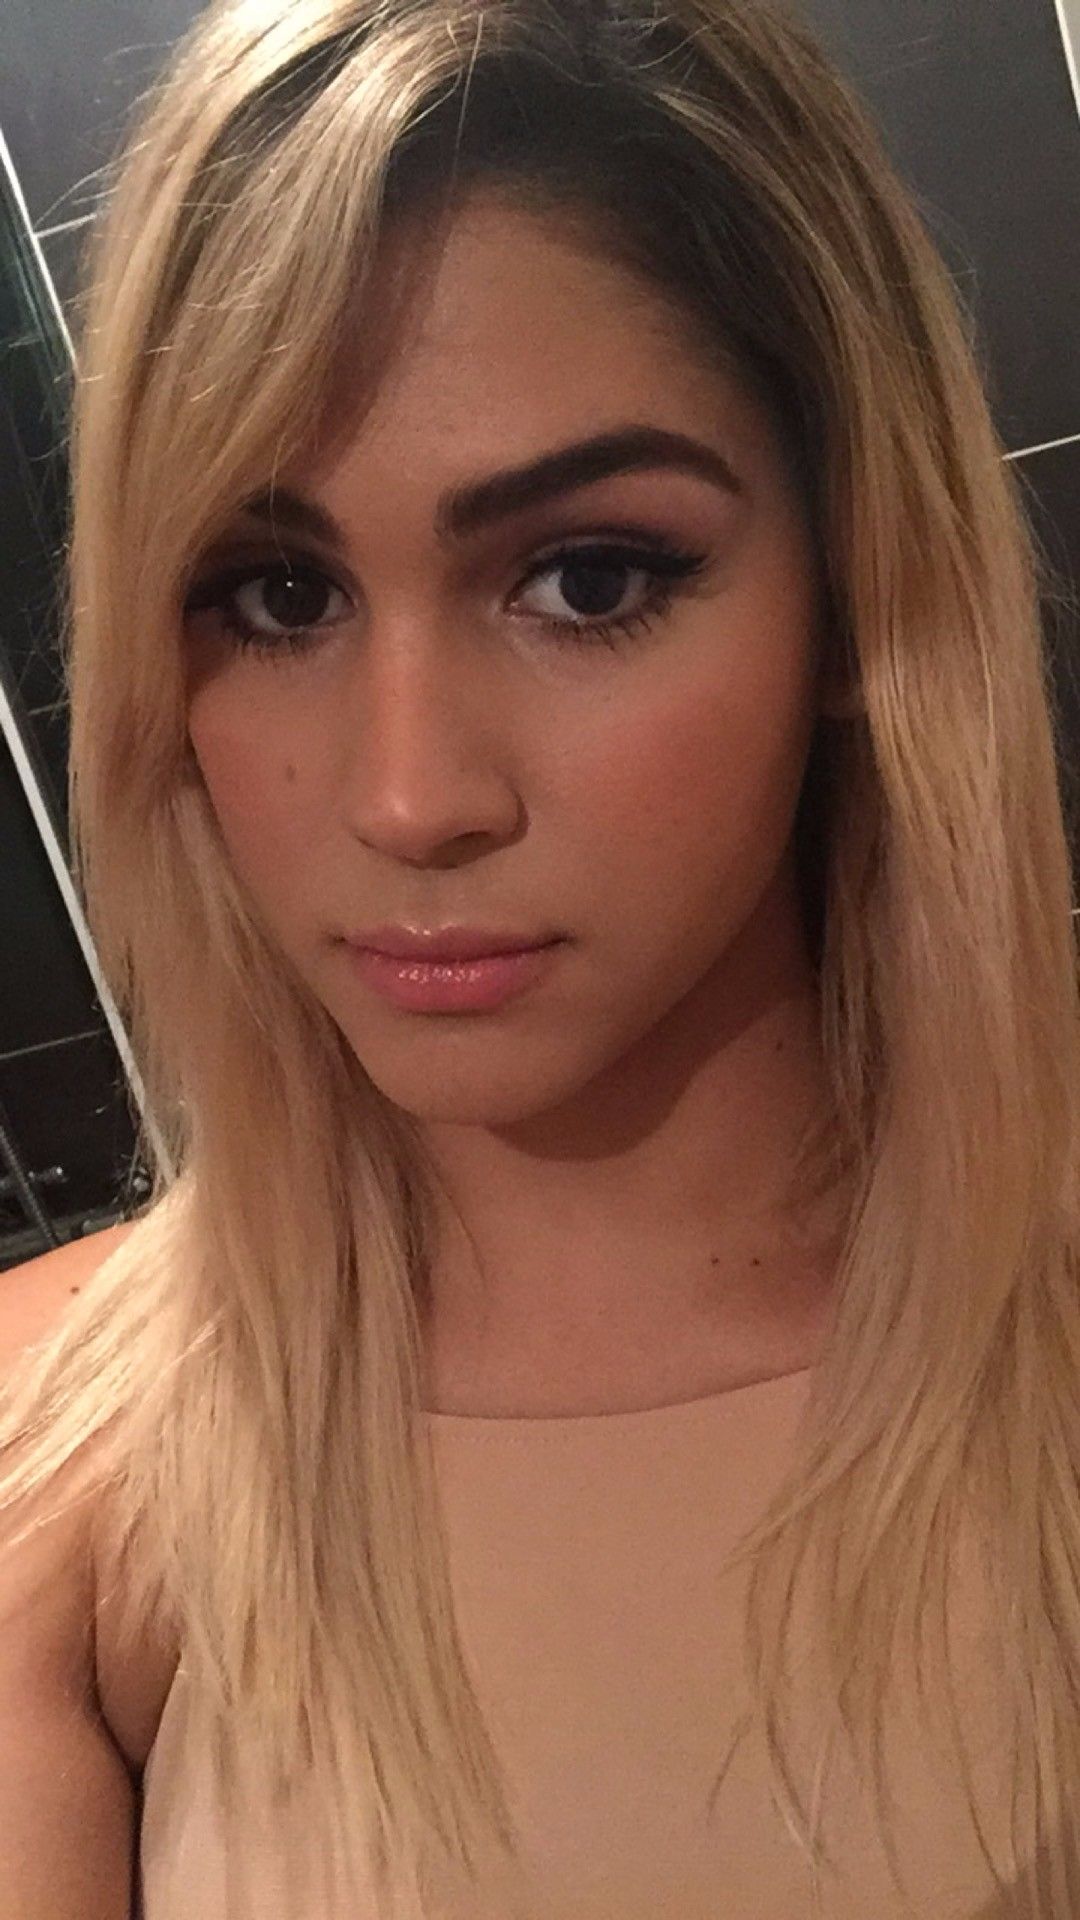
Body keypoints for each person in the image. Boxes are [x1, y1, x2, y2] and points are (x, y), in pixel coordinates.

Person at [1, 0, 1078, 1913]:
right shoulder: (50, 1478)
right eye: (278, 595)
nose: (412, 797)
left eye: (588, 577)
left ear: (857, 593)